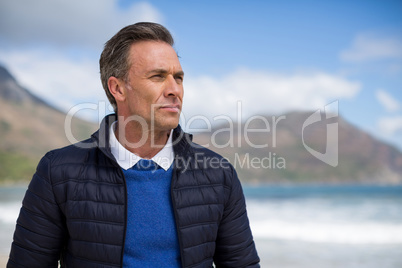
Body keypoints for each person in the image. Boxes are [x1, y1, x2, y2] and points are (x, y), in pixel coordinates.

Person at [7, 22, 260, 267]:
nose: (175, 90)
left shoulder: (219, 173)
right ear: (118, 88)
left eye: (179, 78)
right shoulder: (58, 172)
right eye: (158, 76)